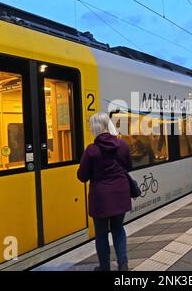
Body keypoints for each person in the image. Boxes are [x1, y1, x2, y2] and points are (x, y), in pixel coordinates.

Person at [77, 112, 132, 271]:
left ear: (95, 127)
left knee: (101, 234)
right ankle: (123, 265)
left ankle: (104, 267)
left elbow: (82, 176)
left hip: (100, 199)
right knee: (118, 229)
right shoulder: (122, 145)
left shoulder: (91, 150)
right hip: (121, 195)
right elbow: (129, 167)